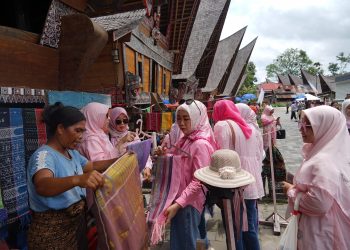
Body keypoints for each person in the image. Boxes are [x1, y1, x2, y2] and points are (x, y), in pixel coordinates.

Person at [26, 102, 116, 249]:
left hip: (75, 228)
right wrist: (77, 179)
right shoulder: (44, 155)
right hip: (52, 235)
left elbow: (92, 166)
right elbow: (42, 185)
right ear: (60, 128)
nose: (81, 137)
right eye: (78, 131)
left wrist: (122, 158)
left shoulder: (72, 153)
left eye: (83, 131)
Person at [282, 106, 350, 249]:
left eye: (308, 125)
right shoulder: (335, 153)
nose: (301, 129)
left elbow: (319, 203)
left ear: (326, 127)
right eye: (301, 123)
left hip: (319, 231)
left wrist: (291, 190)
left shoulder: (323, 161)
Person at [158, 100, 216, 250]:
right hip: (181, 200)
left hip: (188, 203)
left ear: (197, 117)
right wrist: (164, 154)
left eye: (186, 118)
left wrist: (178, 204)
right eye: (179, 118)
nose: (181, 123)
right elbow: (177, 160)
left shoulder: (200, 144)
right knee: (183, 240)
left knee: (184, 243)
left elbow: (199, 181)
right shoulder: (186, 139)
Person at [212, 100, 262, 250]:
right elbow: (259, 156)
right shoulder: (251, 128)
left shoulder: (222, 126)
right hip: (251, 181)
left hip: (233, 182)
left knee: (234, 229)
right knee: (250, 226)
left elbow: (222, 157)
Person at [194, 149, 255, 250]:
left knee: (234, 234)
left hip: (231, 198)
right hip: (233, 198)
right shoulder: (237, 191)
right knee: (235, 233)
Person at [109, 107, 152, 181]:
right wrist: (122, 141)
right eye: (118, 121)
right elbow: (111, 158)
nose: (122, 123)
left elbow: (144, 153)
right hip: (119, 178)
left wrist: (147, 167)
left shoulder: (133, 135)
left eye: (125, 120)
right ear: (112, 121)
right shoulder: (109, 138)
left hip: (135, 176)